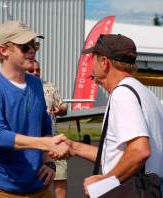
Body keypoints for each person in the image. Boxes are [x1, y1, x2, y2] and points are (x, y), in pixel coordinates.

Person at [0, 20, 70, 198]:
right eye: (25, 46)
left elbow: (44, 126)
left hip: (38, 186)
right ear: (3, 50)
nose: (32, 50)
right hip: (0, 189)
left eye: (34, 44)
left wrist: (48, 162)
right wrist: (45, 144)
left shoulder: (35, 84)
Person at [66, 34, 163, 196]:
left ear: (104, 62)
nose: (91, 63)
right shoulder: (145, 93)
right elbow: (118, 155)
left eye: (93, 57)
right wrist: (73, 146)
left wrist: (104, 182)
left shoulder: (122, 95)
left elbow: (140, 151)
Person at [28, 60, 68, 198]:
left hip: (53, 140)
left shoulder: (49, 87)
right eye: (32, 70)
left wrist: (60, 110)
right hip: (31, 143)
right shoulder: (22, 89)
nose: (35, 73)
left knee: (60, 177)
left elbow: (63, 108)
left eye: (38, 70)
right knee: (37, 183)